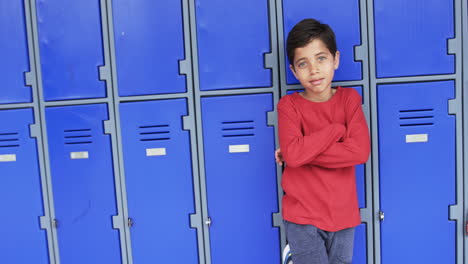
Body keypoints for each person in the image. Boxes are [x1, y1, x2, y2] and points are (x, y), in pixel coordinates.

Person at [275, 18, 370, 264]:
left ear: (335, 59)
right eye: (303, 63)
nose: (314, 70)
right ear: (294, 70)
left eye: (321, 58)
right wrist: (335, 130)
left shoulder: (349, 100)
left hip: (343, 216)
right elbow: (294, 156)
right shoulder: (289, 106)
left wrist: (300, 151)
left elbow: (359, 152)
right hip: (302, 216)